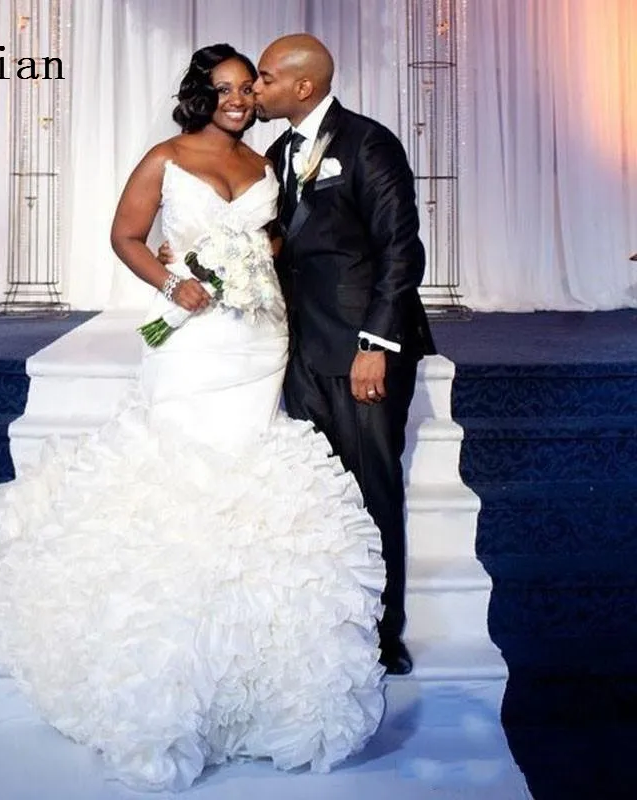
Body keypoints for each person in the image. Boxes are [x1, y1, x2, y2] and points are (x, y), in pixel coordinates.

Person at [0, 43, 386, 793]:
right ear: (202, 94)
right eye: (223, 89)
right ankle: (161, 656)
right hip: (192, 339)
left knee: (247, 473)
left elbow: (280, 241)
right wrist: (174, 280)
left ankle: (253, 663)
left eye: (246, 88)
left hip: (259, 339)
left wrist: (249, 258)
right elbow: (124, 237)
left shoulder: (267, 165)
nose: (238, 99)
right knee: (179, 467)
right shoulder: (166, 157)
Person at [253, 34, 437, 675]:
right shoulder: (277, 153)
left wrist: (375, 345)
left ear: (303, 86)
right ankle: (330, 622)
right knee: (322, 492)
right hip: (302, 350)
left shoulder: (368, 144)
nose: (256, 89)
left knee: (372, 492)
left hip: (363, 352)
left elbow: (400, 251)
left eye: (266, 78)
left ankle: (384, 633)